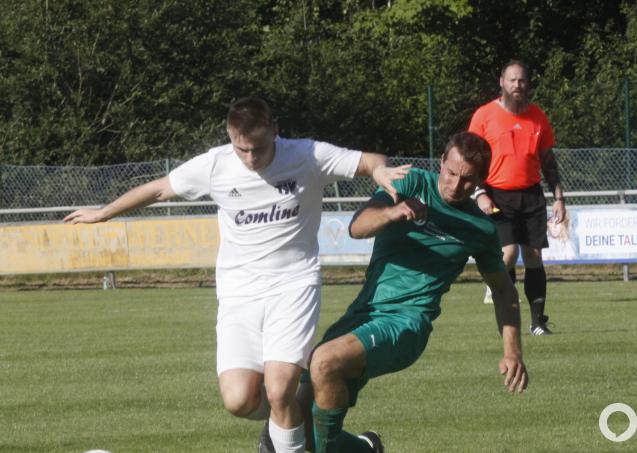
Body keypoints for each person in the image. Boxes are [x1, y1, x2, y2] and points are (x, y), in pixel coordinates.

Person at [63, 96, 410, 453]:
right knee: (239, 400)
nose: (250, 158)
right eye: (241, 148)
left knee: (278, 390)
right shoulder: (215, 165)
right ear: (230, 137)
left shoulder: (307, 155)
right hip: (238, 292)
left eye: (258, 148)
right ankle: (309, 425)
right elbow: (159, 188)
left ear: (275, 130)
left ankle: (286, 412)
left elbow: (368, 160)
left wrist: (380, 172)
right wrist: (104, 212)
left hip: (293, 285)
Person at [306, 132, 528, 452]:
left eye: (467, 180)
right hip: (364, 313)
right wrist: (393, 212)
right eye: (450, 173)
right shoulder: (409, 183)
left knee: (324, 362)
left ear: (481, 178)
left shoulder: (480, 228)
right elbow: (357, 227)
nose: (455, 185)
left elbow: (504, 292)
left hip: (408, 324)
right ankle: (365, 449)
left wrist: (513, 352)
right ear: (441, 163)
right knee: (293, 409)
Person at [468, 59, 566, 335]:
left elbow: (548, 161)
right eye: (512, 80)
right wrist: (479, 194)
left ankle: (537, 323)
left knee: (534, 256)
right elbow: (470, 158)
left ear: (527, 84)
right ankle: (501, 301)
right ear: (502, 82)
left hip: (531, 195)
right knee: (508, 254)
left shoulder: (538, 116)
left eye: (522, 80)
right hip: (497, 195)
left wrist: (559, 197)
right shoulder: (484, 115)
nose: (517, 85)